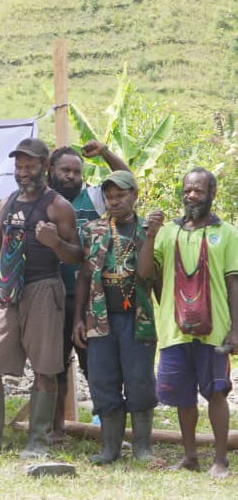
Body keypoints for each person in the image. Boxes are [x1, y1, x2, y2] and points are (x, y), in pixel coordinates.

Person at [0, 138, 82, 458]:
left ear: (45, 168)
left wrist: (54, 243)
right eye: (19, 166)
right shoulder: (7, 203)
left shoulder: (59, 207)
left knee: (44, 369)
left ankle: (38, 441)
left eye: (30, 166)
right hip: (6, 292)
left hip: (42, 290)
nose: (23, 172)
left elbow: (77, 257)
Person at [137, 167, 237, 479]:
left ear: (212, 194)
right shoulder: (168, 231)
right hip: (174, 330)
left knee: (217, 392)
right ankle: (190, 456)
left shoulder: (229, 233)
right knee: (182, 396)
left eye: (199, 190)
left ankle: (220, 460)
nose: (192, 195)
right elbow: (144, 274)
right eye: (188, 190)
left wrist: (236, 328)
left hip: (216, 329)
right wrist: (151, 234)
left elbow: (234, 283)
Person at [47, 140, 130, 442]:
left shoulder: (93, 197)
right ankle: (56, 428)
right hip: (52, 297)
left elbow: (126, 180)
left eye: (76, 171)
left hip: (91, 298)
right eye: (64, 170)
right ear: (51, 171)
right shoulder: (43, 201)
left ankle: (106, 426)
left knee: (95, 364)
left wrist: (107, 152)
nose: (70, 176)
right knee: (54, 365)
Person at [72, 171, 157, 464]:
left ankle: (142, 448)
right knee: (103, 381)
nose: (114, 201)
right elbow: (83, 276)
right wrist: (78, 320)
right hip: (99, 319)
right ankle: (110, 449)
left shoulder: (149, 229)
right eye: (109, 197)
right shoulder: (92, 230)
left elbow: (156, 276)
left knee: (140, 381)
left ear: (134, 195)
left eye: (120, 196)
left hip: (138, 317)